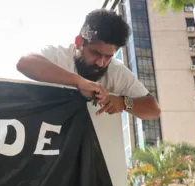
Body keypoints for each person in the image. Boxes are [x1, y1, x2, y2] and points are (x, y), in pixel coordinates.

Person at [16, 9, 161, 120]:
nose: (101, 62)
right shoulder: (59, 56)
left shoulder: (117, 72)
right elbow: (24, 63)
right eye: (95, 53)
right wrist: (79, 82)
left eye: (108, 56)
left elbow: (154, 109)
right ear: (79, 42)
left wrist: (123, 102)